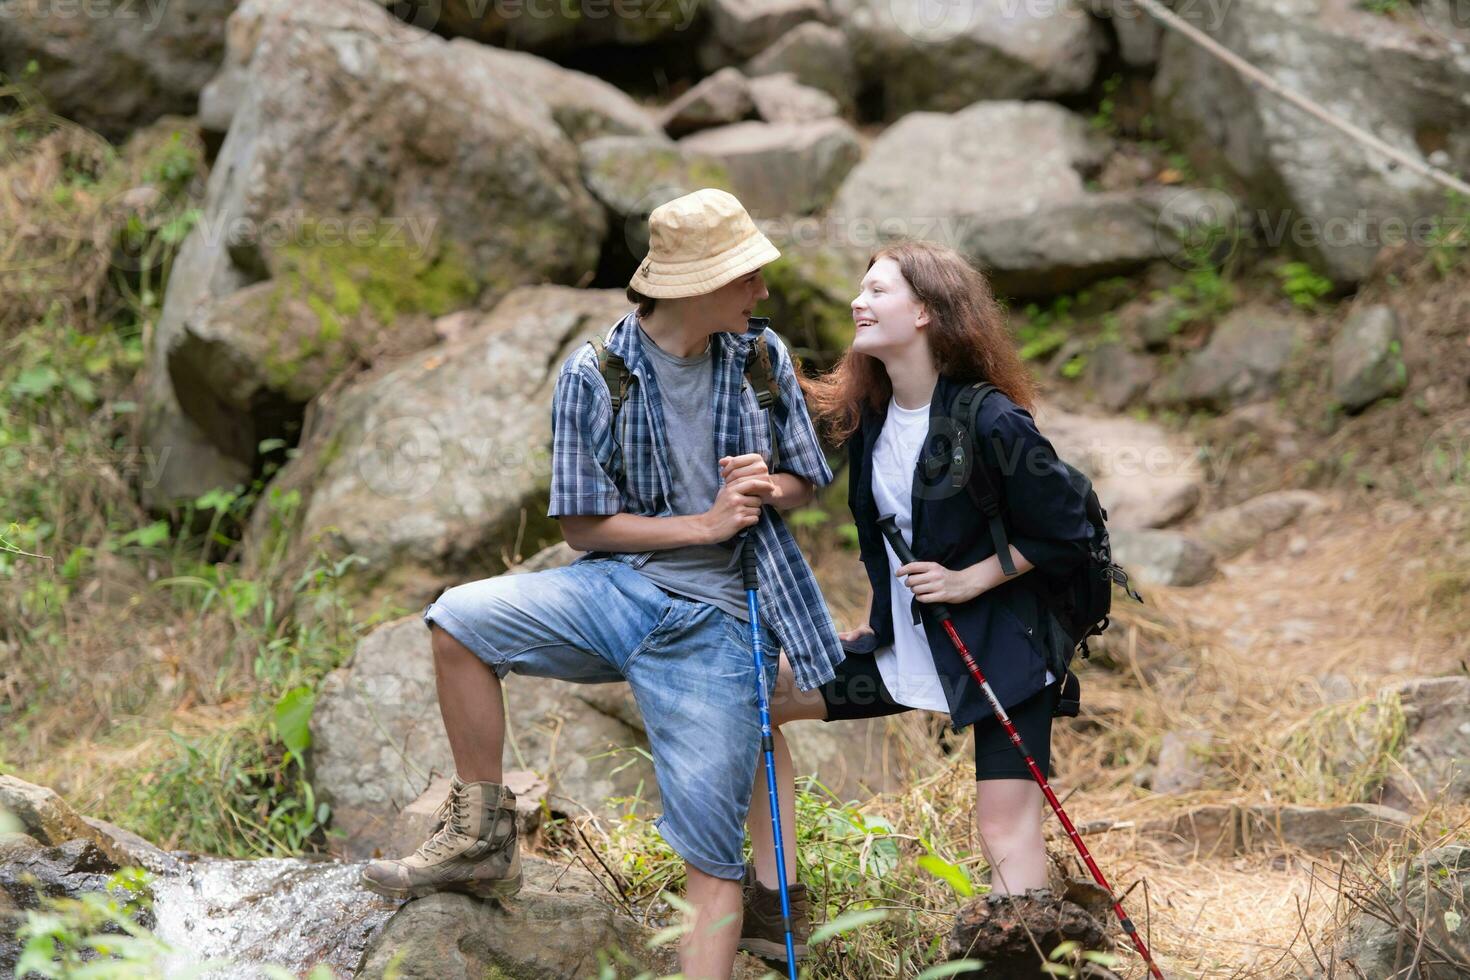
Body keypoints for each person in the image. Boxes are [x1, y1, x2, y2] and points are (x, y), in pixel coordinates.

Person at [358, 188, 845, 979]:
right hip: (614, 591)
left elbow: (807, 480)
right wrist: (704, 524)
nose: (761, 289)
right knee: (457, 619)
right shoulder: (596, 373)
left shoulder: (762, 357)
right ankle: (482, 837)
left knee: (710, 853)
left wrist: (767, 487)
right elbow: (581, 528)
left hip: (719, 619)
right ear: (694, 287)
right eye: (745, 275)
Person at [737, 239, 1095, 964]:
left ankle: (1026, 961)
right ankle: (775, 905)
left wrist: (974, 578)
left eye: (877, 291)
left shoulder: (992, 420)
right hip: (903, 649)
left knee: (1004, 832)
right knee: (749, 699)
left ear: (926, 310)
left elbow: (1076, 527)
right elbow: (796, 461)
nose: (856, 302)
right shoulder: (868, 414)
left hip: (1004, 653)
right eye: (860, 290)